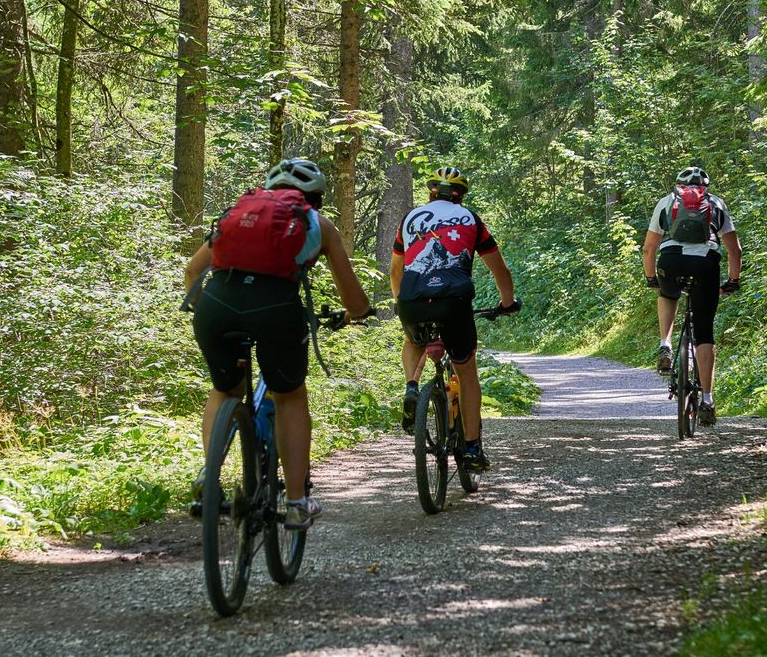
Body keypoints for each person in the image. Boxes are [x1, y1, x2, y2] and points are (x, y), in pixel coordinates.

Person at [184, 158, 372, 529]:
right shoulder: (319, 223)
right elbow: (354, 300)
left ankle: (210, 477)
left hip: (216, 304)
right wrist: (357, 313)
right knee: (289, 396)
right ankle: (298, 502)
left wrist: (198, 308)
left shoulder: (240, 211)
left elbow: (193, 270)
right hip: (275, 308)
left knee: (225, 390)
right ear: (314, 198)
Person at [390, 166, 519, 472]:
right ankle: (473, 448)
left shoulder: (410, 219)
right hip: (454, 301)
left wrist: (401, 302)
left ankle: (411, 386)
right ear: (461, 196)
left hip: (412, 299)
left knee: (413, 340)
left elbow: (396, 269)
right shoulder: (471, 219)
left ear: (430, 192)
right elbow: (498, 269)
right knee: (466, 371)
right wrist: (507, 303)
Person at [642, 166, 742, 425]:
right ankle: (707, 400)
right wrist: (732, 281)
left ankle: (665, 343)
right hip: (706, 264)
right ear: (706, 185)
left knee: (667, 295)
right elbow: (735, 249)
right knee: (704, 332)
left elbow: (648, 248)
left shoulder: (666, 202)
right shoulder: (717, 203)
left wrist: (652, 278)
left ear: (678, 184)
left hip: (672, 262)